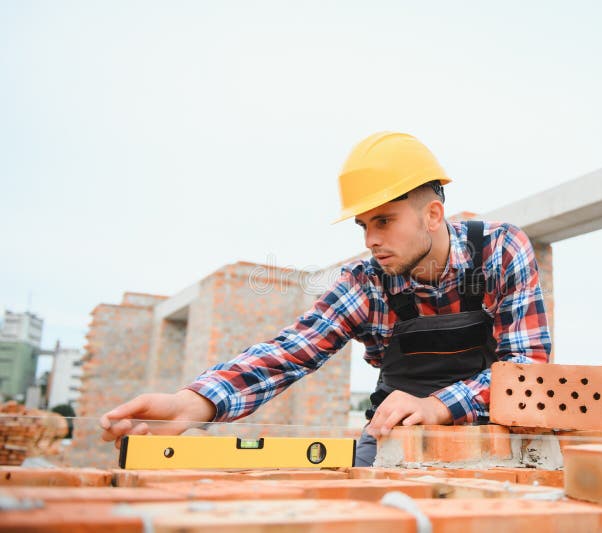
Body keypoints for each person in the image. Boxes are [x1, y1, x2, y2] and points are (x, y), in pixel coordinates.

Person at [100, 131, 551, 466]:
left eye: (384, 221)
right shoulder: (366, 283)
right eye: (364, 226)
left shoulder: (500, 251)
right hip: (391, 437)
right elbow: (289, 351)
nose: (371, 240)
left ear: (432, 214)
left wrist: (437, 406)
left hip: (493, 437)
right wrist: (195, 402)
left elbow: (527, 367)